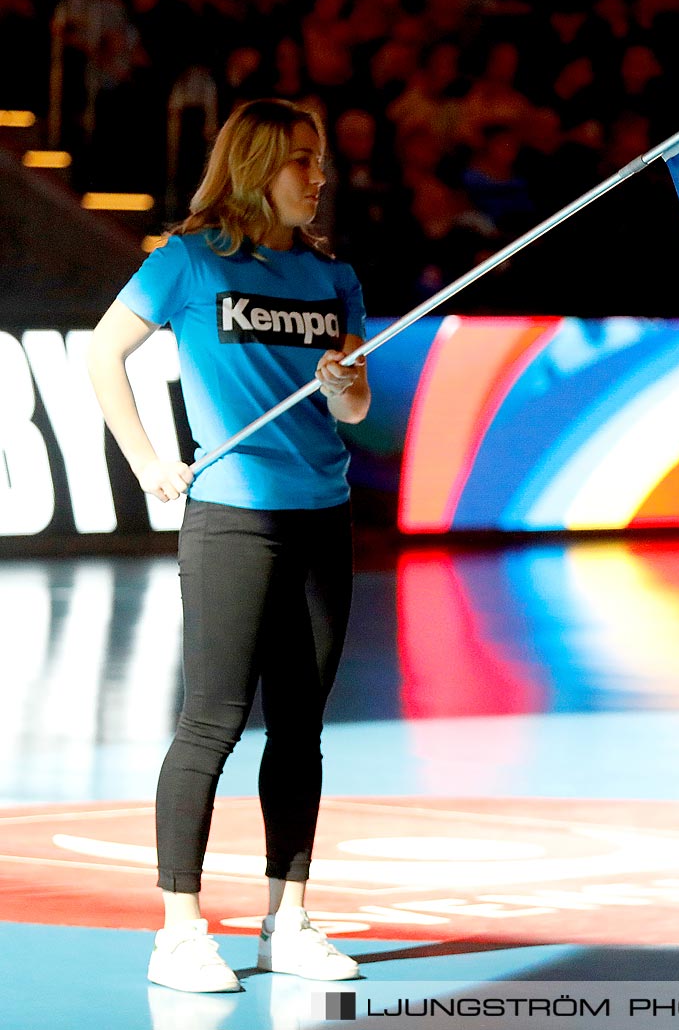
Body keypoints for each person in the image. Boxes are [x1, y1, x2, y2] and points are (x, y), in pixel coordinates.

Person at [87, 99, 370, 994]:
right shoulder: (187, 263)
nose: (316, 178)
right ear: (254, 166)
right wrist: (147, 462)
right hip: (232, 517)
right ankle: (178, 933)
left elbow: (355, 410)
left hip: (323, 515)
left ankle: (287, 919)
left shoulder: (334, 278)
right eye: (300, 161)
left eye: (319, 161)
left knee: (300, 729)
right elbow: (105, 353)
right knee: (211, 723)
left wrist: (342, 384)